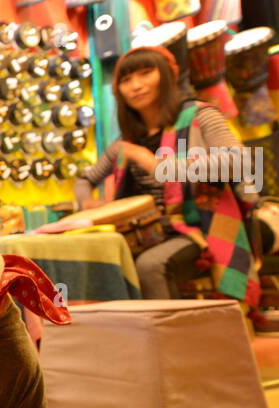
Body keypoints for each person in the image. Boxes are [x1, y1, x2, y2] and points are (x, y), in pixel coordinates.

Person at [73, 45, 268, 303]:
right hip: (144, 232)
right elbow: (85, 178)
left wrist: (159, 165)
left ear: (167, 76)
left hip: (198, 228)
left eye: (145, 73)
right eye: (126, 79)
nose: (136, 85)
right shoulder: (127, 141)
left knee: (149, 266)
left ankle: (168, 340)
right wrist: (86, 203)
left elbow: (241, 161)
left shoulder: (200, 115)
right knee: (97, 264)